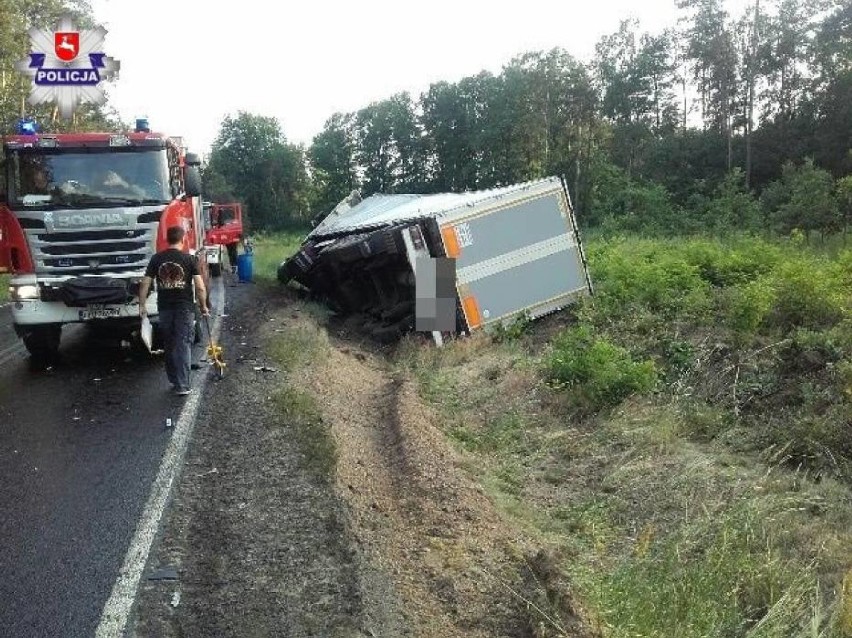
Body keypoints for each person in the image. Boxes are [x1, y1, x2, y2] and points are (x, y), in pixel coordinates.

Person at [138, 226, 209, 396]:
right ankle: (183, 385)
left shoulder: (156, 259)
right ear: (183, 239)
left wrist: (142, 305)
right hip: (184, 307)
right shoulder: (189, 259)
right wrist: (203, 306)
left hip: (164, 308)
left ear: (167, 240)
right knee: (183, 343)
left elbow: (145, 284)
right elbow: (200, 287)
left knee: (169, 343)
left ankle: (174, 379)